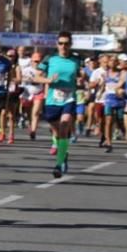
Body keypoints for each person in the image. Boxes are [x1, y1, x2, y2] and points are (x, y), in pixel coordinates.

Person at [35, 31, 82, 178]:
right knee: (56, 131)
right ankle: (63, 152)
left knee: (65, 124)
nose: (63, 46)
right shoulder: (50, 59)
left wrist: (81, 81)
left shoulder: (76, 60)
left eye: (66, 43)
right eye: (61, 43)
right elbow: (37, 77)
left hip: (69, 98)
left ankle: (58, 164)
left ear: (71, 45)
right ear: (57, 44)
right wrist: (48, 81)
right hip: (52, 100)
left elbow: (80, 77)